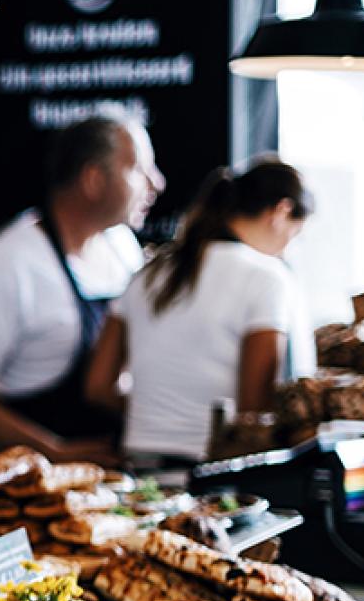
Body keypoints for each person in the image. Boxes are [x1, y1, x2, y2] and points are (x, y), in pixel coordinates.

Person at [0, 109, 165, 463]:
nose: (157, 183)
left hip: (108, 475)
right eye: (139, 169)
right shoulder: (10, 264)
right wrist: (52, 453)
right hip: (22, 484)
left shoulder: (121, 245)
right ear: (93, 179)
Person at [85, 156, 315, 464]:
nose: (288, 247)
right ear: (281, 212)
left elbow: (98, 387)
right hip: (214, 472)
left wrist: (158, 413)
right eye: (295, 234)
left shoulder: (149, 272)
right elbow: (254, 410)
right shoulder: (267, 277)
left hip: (140, 465)